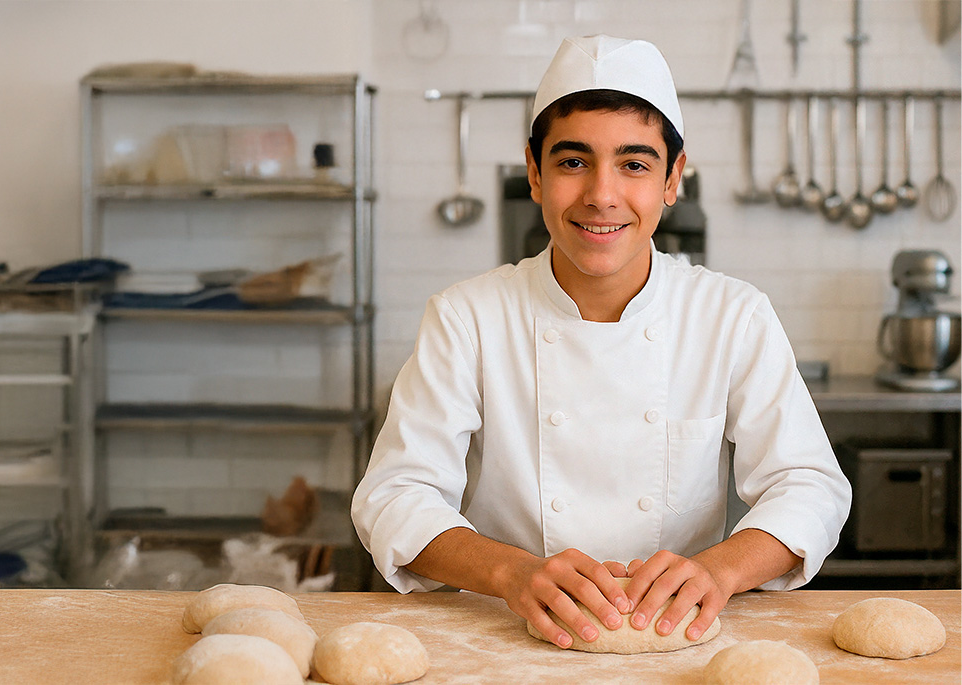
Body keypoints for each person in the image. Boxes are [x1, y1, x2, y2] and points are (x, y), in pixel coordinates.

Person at [350, 35, 851, 650]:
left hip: (680, 636)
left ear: (673, 178)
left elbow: (808, 485)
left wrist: (719, 571)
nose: (601, 195)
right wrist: (511, 573)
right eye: (572, 161)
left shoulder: (731, 315)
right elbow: (395, 495)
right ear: (534, 174)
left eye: (635, 164)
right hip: (503, 637)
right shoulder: (467, 317)